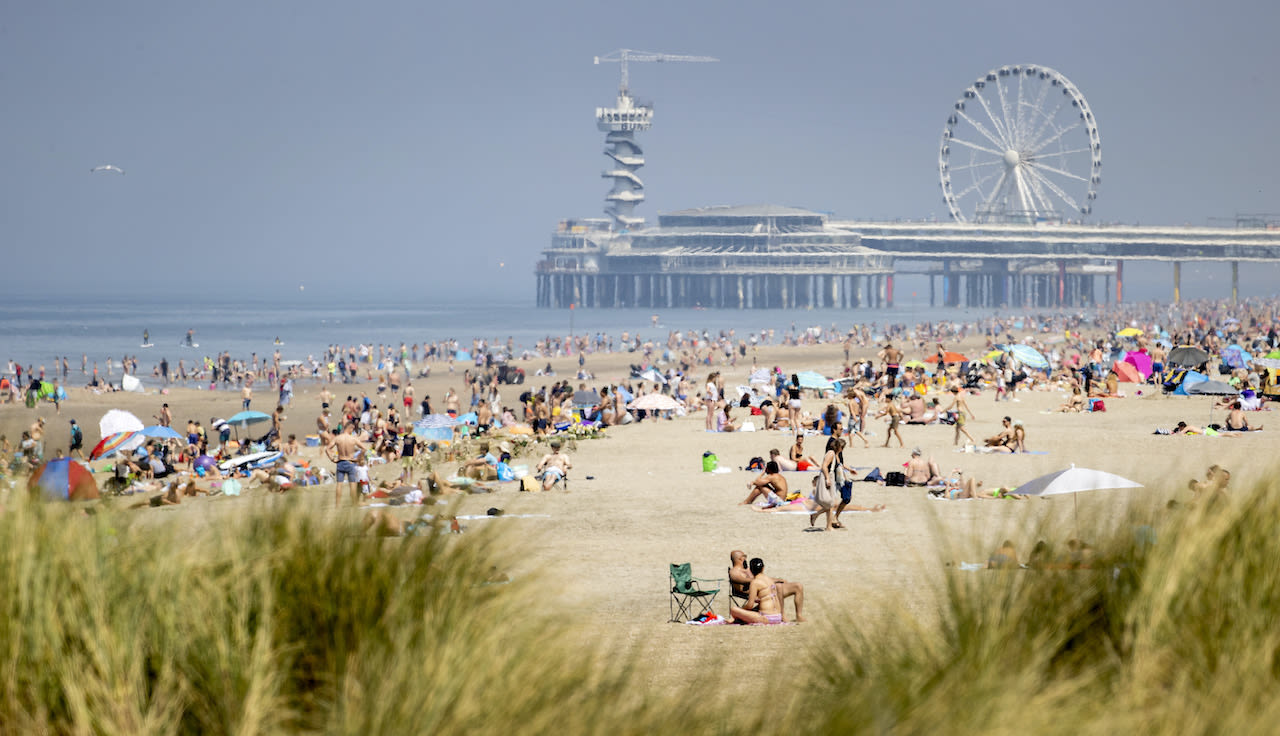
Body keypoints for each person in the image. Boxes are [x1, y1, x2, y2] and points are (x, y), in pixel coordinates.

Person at [728, 550, 805, 622]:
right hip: (754, 593)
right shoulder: (734, 572)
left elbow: (761, 577)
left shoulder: (748, 569)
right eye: (745, 556)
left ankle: (799, 616)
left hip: (765, 591)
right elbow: (750, 580)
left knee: (797, 586)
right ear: (741, 558)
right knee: (778, 587)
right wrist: (767, 581)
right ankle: (782, 615)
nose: (746, 558)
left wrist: (777, 579)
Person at [728, 557, 786, 625]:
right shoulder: (770, 580)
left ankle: (739, 619)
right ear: (763, 568)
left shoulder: (755, 582)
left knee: (734, 610)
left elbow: (750, 605)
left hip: (766, 617)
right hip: (778, 616)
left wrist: (742, 610)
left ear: (750, 570)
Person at [325, 423, 368, 505]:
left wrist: (332, 459)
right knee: (352, 484)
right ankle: (353, 503)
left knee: (339, 484)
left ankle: (337, 505)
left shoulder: (338, 438)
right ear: (351, 428)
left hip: (340, 461)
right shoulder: (352, 438)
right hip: (350, 461)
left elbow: (327, 449)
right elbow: (364, 448)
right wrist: (359, 458)